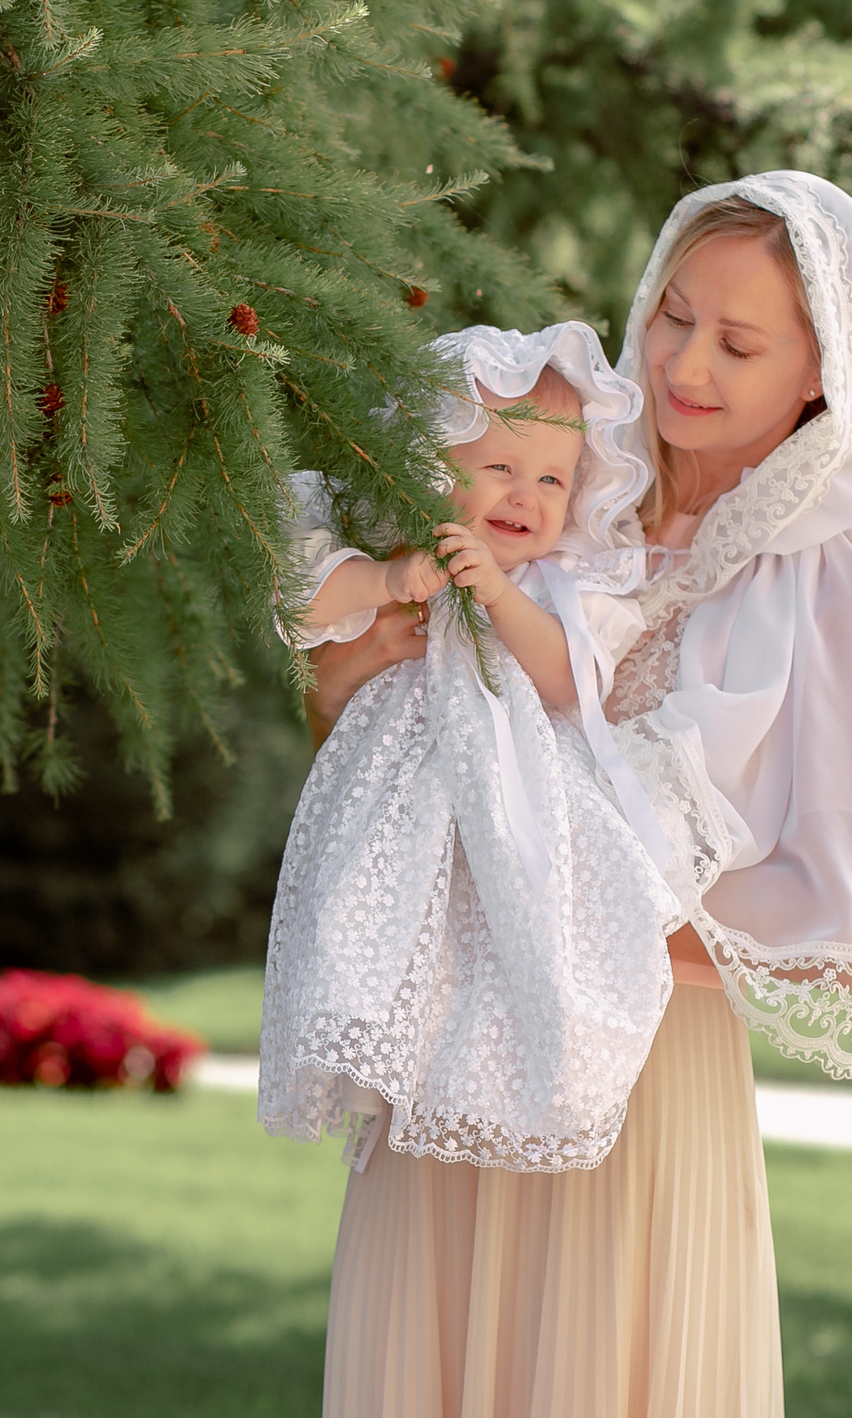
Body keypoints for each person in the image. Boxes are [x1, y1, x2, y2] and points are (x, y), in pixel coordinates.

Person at [310, 172, 852, 1417]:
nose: (682, 363)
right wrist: (360, 654)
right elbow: (364, 719)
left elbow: (837, 934)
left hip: (637, 1084)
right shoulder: (556, 488)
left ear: (823, 374)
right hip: (450, 1048)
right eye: (674, 315)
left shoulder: (841, 593)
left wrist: (571, 918)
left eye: (738, 342)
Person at [261, 324, 682, 1175]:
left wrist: (497, 594)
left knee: (505, 927)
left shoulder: (560, 582)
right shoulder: (396, 552)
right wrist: (388, 580)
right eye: (499, 466)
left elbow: (569, 681)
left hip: (513, 790)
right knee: (376, 914)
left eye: (553, 478)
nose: (527, 496)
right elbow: (302, 602)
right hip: (399, 794)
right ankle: (371, 1045)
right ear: (430, 463)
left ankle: (494, 1065)